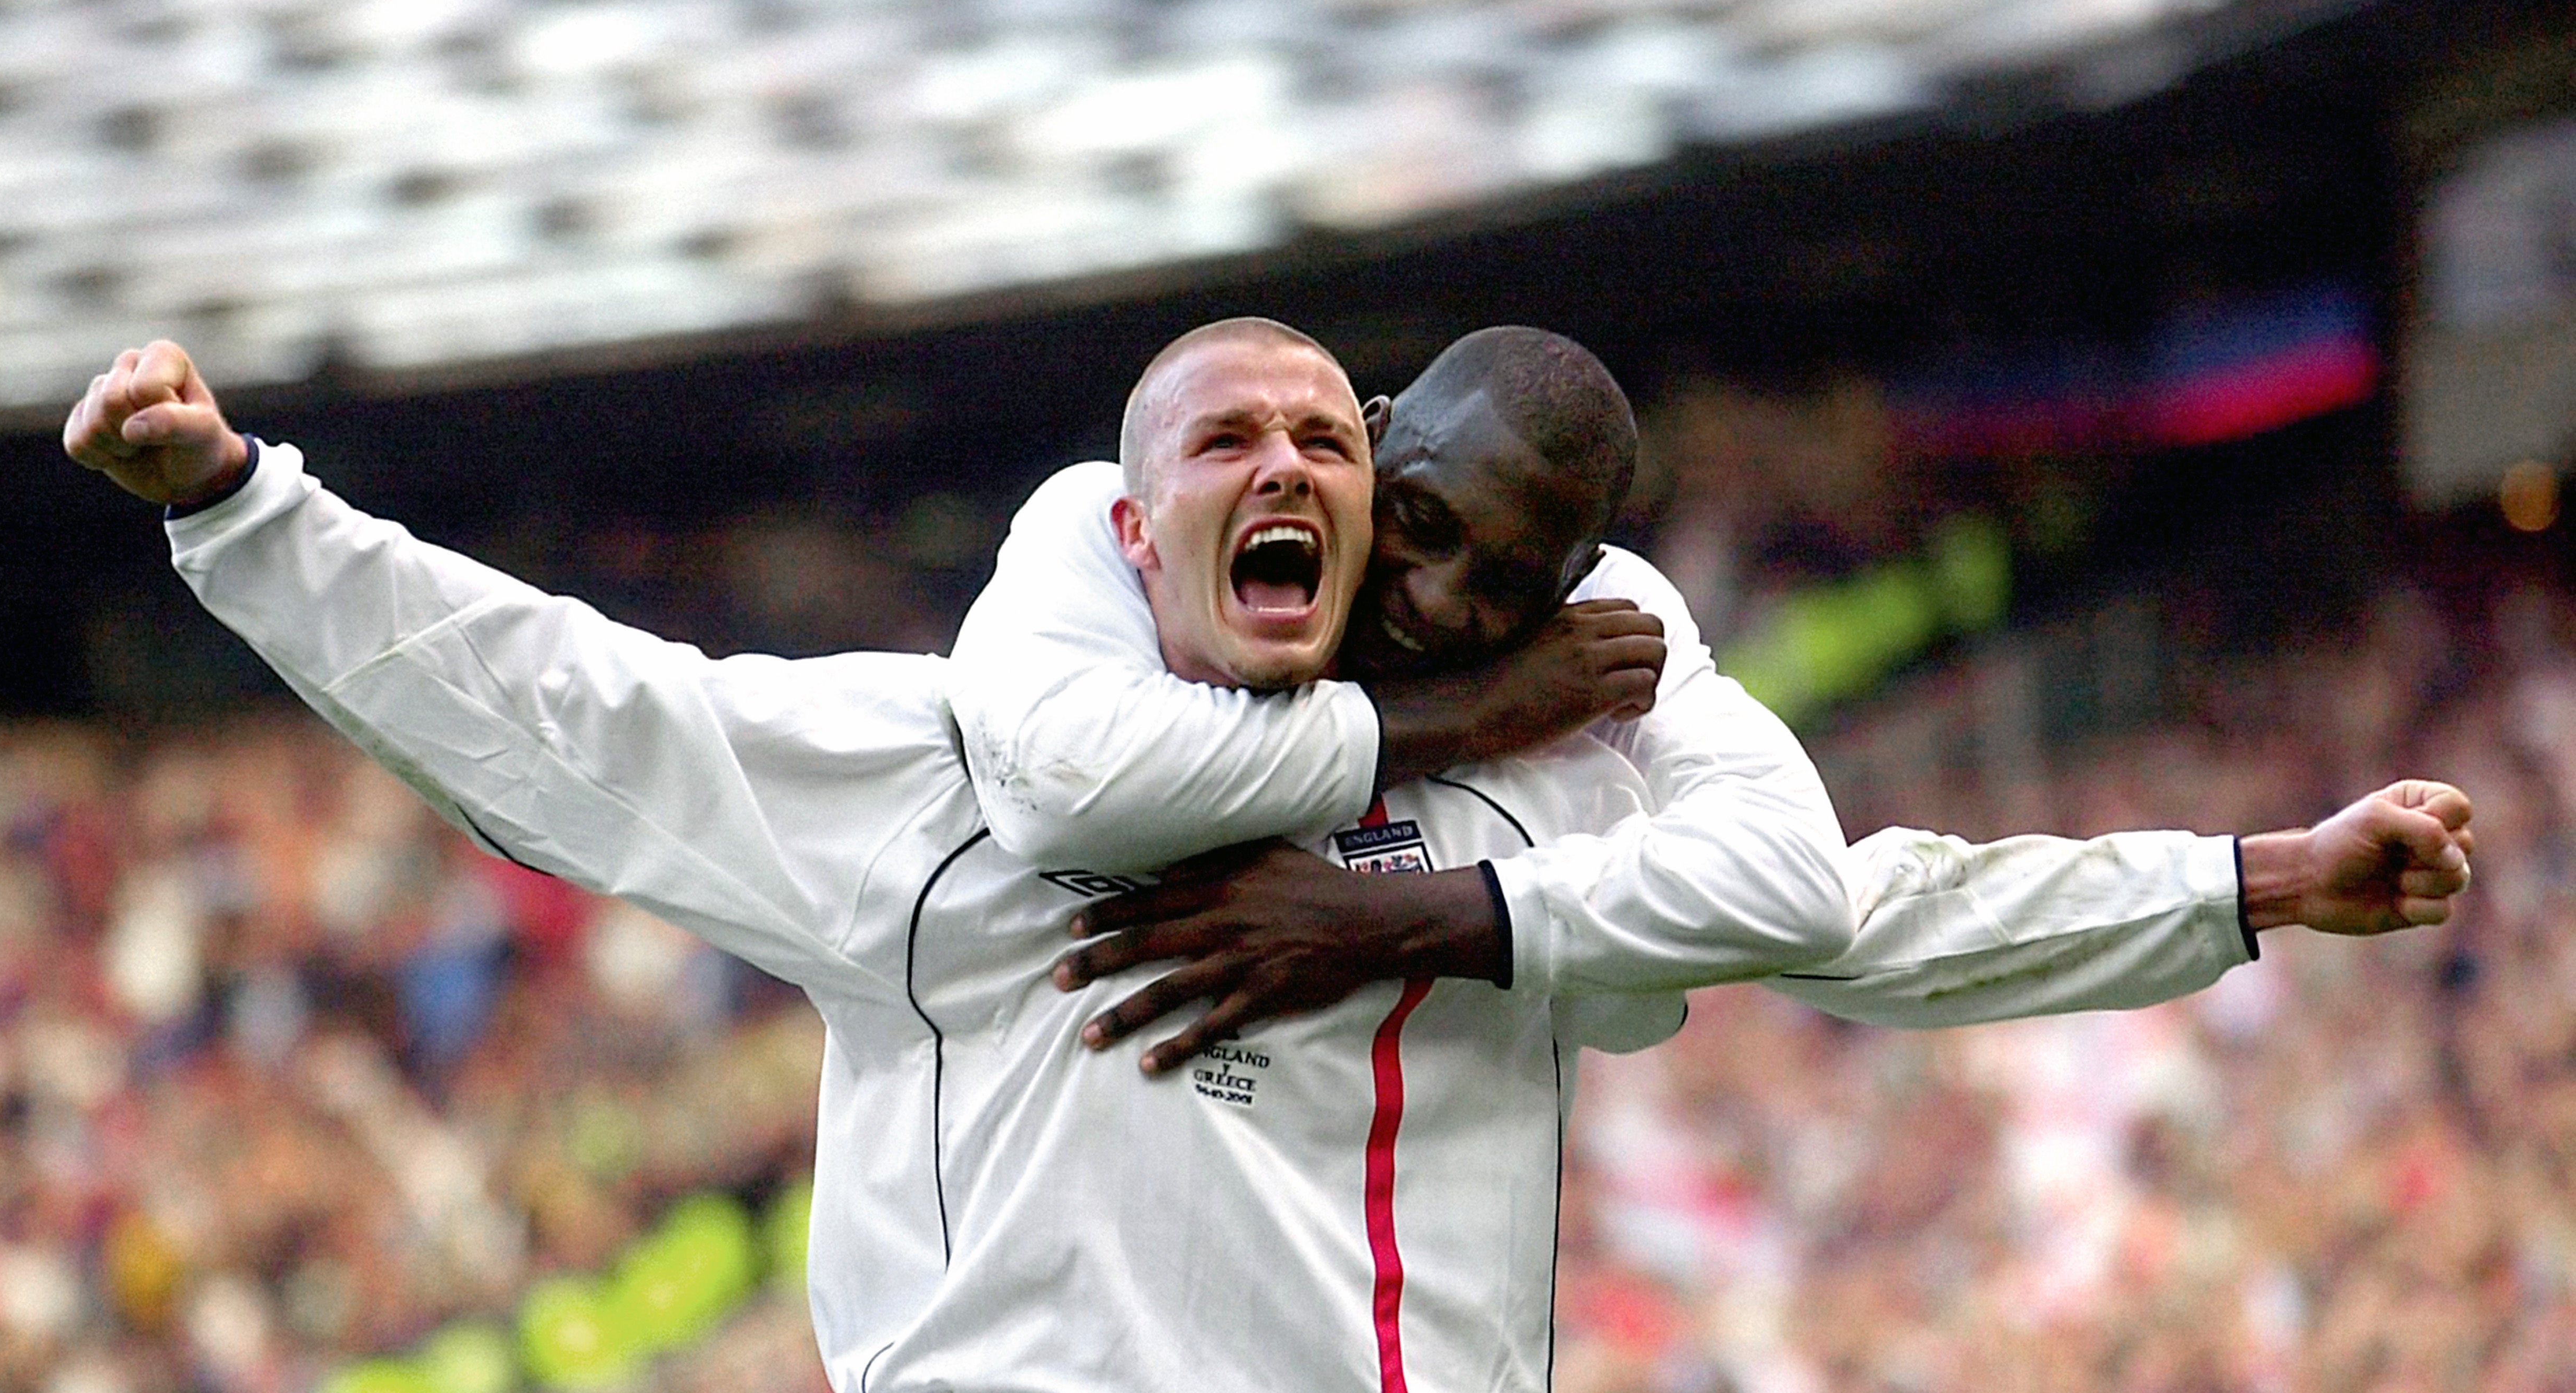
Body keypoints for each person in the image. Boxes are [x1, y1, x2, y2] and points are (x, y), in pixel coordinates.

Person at [65, 329, 2469, 1393]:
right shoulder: (950, 768)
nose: (1290, 466)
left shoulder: (1538, 806)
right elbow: (584, 713)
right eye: (1230, 437)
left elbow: (1864, 912)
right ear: (1135, 527)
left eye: (1335, 435)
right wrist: (247, 516)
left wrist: (2240, 877)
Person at [941, 324, 2473, 1073]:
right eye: (1415, 524)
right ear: (1375, 443)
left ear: (1578, 574)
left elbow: (1828, 901)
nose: (1433, 600)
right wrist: (1460, 719)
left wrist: (2261, 879)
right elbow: (1056, 780)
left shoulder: (1603, 656)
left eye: (1504, 577)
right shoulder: (1120, 544)